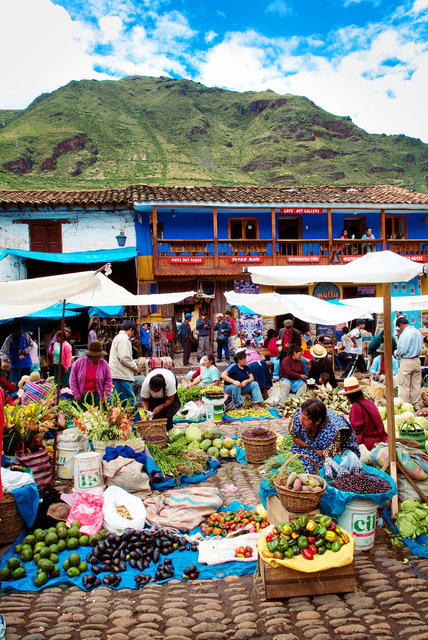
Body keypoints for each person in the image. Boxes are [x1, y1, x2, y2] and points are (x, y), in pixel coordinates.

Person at [291, 397, 360, 472]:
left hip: (337, 450)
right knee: (296, 455)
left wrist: (319, 451)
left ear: (317, 421)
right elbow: (295, 438)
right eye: (301, 416)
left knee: (321, 467)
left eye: (305, 419)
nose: (301, 420)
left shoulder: (332, 431)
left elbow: (327, 456)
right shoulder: (300, 417)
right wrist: (314, 448)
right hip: (315, 447)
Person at [343, 377, 388, 451]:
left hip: (371, 444)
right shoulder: (368, 402)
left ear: (349, 396)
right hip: (382, 439)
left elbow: (356, 432)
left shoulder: (357, 407)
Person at [69, 340, 112, 407]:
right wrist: (76, 394)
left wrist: (105, 395)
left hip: (97, 397)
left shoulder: (104, 364)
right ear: (90, 355)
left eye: (99, 356)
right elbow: (72, 379)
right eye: (96, 356)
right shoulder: (79, 363)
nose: (98, 358)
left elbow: (108, 381)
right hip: (81, 397)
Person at [109, 320, 141, 406]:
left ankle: (120, 418)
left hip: (118, 374)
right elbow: (124, 357)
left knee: (118, 401)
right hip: (121, 375)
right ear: (130, 330)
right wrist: (135, 367)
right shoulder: (123, 339)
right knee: (129, 400)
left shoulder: (119, 337)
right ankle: (135, 419)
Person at [395, 316, 423, 410]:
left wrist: (396, 353)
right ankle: (417, 405)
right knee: (416, 384)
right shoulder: (418, 332)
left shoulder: (405, 334)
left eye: (399, 327)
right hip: (416, 360)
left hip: (407, 361)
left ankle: (405, 406)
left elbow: (402, 350)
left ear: (402, 325)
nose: (399, 329)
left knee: (404, 385)